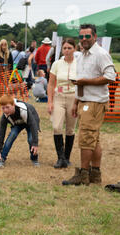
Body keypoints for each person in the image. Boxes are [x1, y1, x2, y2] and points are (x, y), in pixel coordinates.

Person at [62, 24, 116, 186]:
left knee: (86, 139)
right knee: (94, 139)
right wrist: (76, 101)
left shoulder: (101, 54)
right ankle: (95, 174)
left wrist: (86, 82)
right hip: (85, 101)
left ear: (95, 36)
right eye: (81, 37)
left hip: (94, 103)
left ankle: (83, 175)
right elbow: (81, 80)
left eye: (87, 36)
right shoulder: (83, 55)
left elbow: (110, 76)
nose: (84, 40)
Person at [47, 38, 78, 169]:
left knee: (70, 129)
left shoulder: (79, 63)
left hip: (73, 96)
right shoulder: (57, 64)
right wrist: (50, 101)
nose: (66, 50)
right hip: (59, 96)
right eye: (64, 48)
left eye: (69, 48)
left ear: (74, 49)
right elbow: (51, 83)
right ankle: (60, 158)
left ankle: (67, 157)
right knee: (56, 126)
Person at [0, 94, 40, 168]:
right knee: (12, 135)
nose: (5, 110)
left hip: (30, 121)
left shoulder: (24, 110)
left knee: (31, 139)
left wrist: (35, 143)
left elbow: (33, 125)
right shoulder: (5, 116)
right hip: (18, 123)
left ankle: (34, 159)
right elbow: (1, 133)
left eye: (7, 107)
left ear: (14, 105)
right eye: (3, 108)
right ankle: (1, 158)